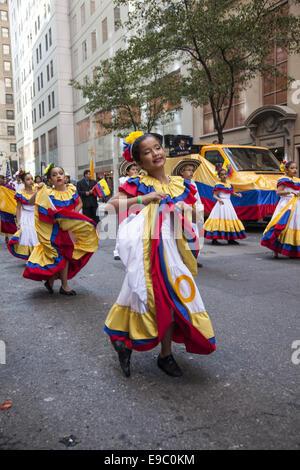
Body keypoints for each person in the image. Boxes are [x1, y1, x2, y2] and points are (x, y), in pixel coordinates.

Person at [104, 132, 215, 378]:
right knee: (159, 296)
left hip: (175, 250)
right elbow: (111, 205)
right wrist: (145, 198)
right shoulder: (139, 184)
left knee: (144, 295)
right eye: (147, 152)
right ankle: (163, 355)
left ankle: (126, 341)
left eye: (157, 147)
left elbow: (199, 217)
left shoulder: (182, 185)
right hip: (149, 250)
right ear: (139, 162)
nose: (155, 153)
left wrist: (188, 209)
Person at [23, 164, 99, 295]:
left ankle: (56, 283)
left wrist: (72, 217)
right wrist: (38, 191)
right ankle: (60, 285)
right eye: (54, 174)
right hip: (54, 230)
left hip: (69, 229)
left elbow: (79, 203)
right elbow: (30, 203)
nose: (58, 176)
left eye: (60, 173)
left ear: (65, 177)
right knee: (60, 256)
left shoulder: (71, 190)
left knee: (66, 255)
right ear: (50, 180)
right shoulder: (48, 192)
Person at [261, 161, 300, 258]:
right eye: (292, 168)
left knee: (295, 227)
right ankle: (275, 250)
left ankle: (292, 250)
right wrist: (290, 192)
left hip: (296, 205)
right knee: (281, 226)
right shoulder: (283, 180)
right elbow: (278, 193)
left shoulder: (297, 180)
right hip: (286, 205)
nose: (295, 170)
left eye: (295, 168)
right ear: (286, 170)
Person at [171, 159, 204, 267]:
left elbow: (197, 198)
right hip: (183, 213)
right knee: (184, 237)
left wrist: (199, 211)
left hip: (193, 213)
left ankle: (193, 259)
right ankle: (183, 259)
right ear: (181, 171)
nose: (191, 172)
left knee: (195, 236)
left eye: (192, 170)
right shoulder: (178, 184)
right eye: (188, 170)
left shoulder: (193, 183)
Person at [204, 168, 246, 245]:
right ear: (219, 176)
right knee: (219, 220)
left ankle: (230, 239)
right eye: (222, 174)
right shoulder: (219, 185)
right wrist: (219, 199)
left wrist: (237, 194)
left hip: (228, 204)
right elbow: (215, 195)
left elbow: (232, 193)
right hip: (221, 204)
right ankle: (215, 239)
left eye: (225, 174)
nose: (224, 176)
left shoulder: (229, 184)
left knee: (230, 219)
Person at [7, 172, 39, 259]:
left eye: (31, 179)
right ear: (24, 182)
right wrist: (18, 222)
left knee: (36, 235)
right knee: (28, 235)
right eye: (28, 179)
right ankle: (30, 255)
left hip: (35, 216)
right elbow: (18, 208)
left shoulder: (37, 191)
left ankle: (36, 255)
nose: (30, 181)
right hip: (25, 216)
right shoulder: (20, 193)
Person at [113, 160, 139, 260]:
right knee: (122, 228)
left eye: (136, 169)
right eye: (133, 169)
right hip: (125, 207)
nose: (135, 171)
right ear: (127, 172)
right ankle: (117, 251)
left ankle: (132, 250)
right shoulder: (124, 181)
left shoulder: (139, 180)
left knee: (136, 229)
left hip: (136, 207)